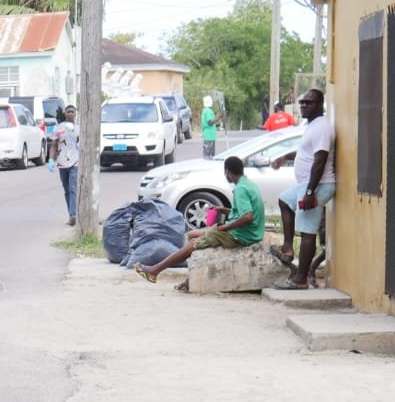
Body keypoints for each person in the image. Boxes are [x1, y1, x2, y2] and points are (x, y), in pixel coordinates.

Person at [135, 155, 265, 283]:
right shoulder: (248, 184)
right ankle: (190, 279)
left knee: (193, 244)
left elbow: (248, 217)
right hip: (248, 231)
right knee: (192, 234)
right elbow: (241, 213)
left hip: (242, 235)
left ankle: (154, 271)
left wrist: (225, 227)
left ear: (228, 172)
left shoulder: (240, 189)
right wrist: (222, 210)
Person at [270, 89, 336, 289]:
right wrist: (286, 158)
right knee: (284, 201)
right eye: (302, 103)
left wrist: (309, 192)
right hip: (306, 185)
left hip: (318, 185)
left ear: (319, 105)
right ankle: (288, 248)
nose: (304, 106)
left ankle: (300, 280)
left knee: (308, 231)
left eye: (309, 103)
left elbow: (320, 160)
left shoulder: (322, 128)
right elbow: (305, 151)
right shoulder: (312, 126)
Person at [52, 104, 80, 226]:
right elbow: (53, 145)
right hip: (62, 163)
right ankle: (71, 214)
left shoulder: (79, 128)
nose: (70, 113)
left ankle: (73, 214)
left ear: (75, 114)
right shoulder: (59, 128)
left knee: (73, 188)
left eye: (72, 112)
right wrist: (51, 160)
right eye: (68, 111)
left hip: (75, 162)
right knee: (66, 190)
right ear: (64, 113)